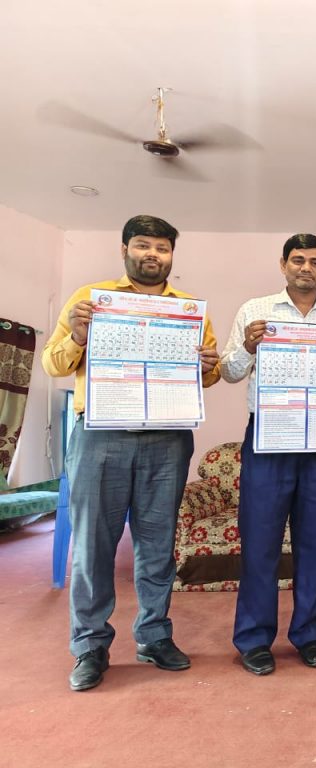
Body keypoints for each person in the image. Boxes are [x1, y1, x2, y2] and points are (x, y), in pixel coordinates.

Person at [42, 215, 220, 691]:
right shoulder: (90, 298)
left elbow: (209, 375)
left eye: (162, 248)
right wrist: (78, 336)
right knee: (93, 545)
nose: (152, 255)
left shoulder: (189, 310)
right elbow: (52, 364)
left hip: (167, 437)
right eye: (143, 245)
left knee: (158, 544)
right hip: (101, 434)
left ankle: (154, 636)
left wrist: (209, 366)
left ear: (171, 255)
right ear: (124, 250)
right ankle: (90, 645)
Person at [221, 234, 316, 676]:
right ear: (283, 264)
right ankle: (254, 639)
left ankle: (308, 633)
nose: (306, 267)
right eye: (298, 260)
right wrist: (248, 347)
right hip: (270, 438)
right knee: (260, 542)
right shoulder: (255, 310)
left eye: (315, 261)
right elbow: (228, 371)